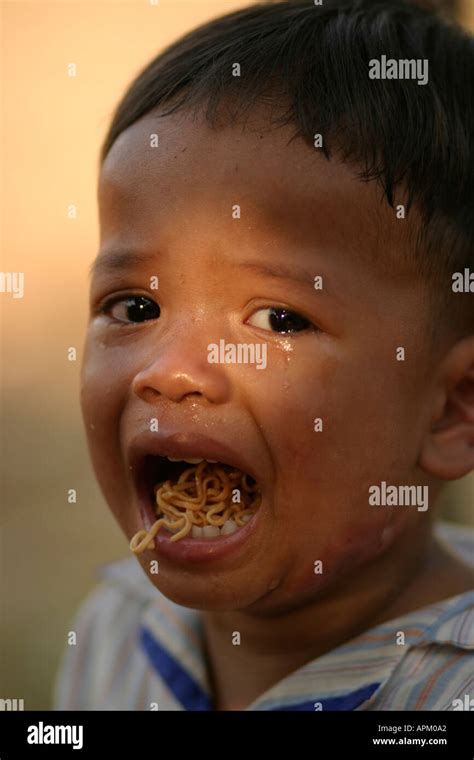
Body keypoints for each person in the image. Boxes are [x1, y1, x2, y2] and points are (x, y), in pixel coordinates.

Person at [55, 0, 474, 711]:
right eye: (135, 308)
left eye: (279, 319)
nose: (171, 370)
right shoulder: (117, 627)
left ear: (452, 410)